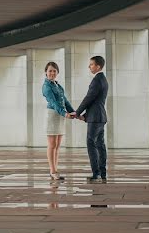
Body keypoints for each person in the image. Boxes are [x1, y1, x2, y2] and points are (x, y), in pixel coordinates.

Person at [69, 55, 109, 183]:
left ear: (98, 66)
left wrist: (77, 112)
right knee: (100, 145)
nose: (89, 66)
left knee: (91, 144)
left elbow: (89, 98)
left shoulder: (97, 80)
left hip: (95, 118)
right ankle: (102, 173)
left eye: (91, 64)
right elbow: (95, 101)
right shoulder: (103, 79)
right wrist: (85, 116)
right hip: (99, 117)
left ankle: (96, 174)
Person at [41, 61, 73, 181]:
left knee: (58, 145)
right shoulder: (46, 86)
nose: (52, 73)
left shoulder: (58, 85)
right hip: (52, 115)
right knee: (52, 145)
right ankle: (52, 171)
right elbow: (54, 103)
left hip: (60, 115)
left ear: (57, 72)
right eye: (50, 71)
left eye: (54, 71)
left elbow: (65, 100)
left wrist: (73, 112)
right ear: (46, 72)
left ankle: (55, 169)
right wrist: (65, 113)